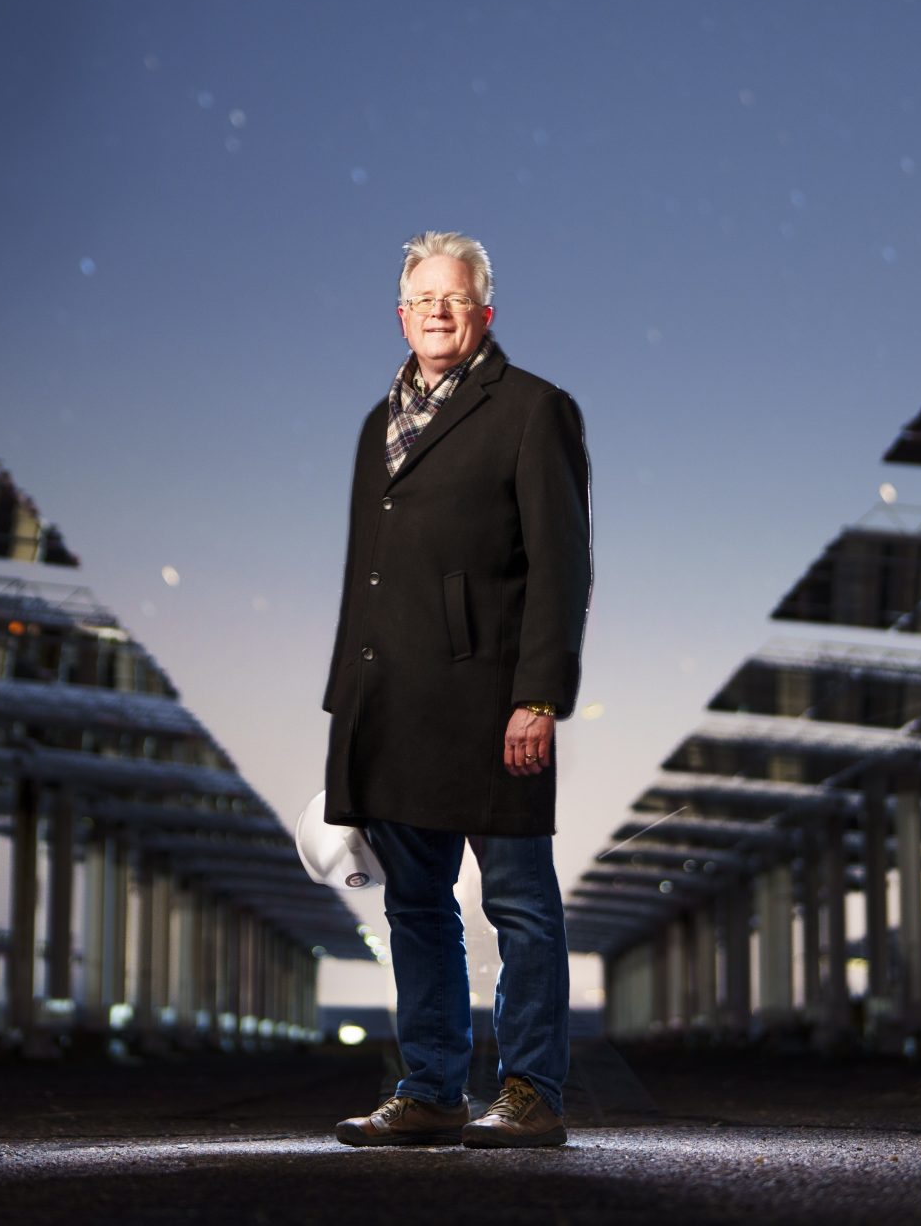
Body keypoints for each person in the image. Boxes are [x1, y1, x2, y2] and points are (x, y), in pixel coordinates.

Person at [323, 230, 591, 1151]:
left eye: (456, 296)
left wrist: (541, 696)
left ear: (485, 312)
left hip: (492, 702)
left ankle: (530, 1092)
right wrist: (343, 709)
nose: (438, 310)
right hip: (390, 702)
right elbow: (366, 576)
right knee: (415, 906)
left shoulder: (533, 410)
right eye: (422, 297)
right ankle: (432, 1089)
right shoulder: (376, 424)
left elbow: (562, 567)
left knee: (519, 902)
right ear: (401, 314)